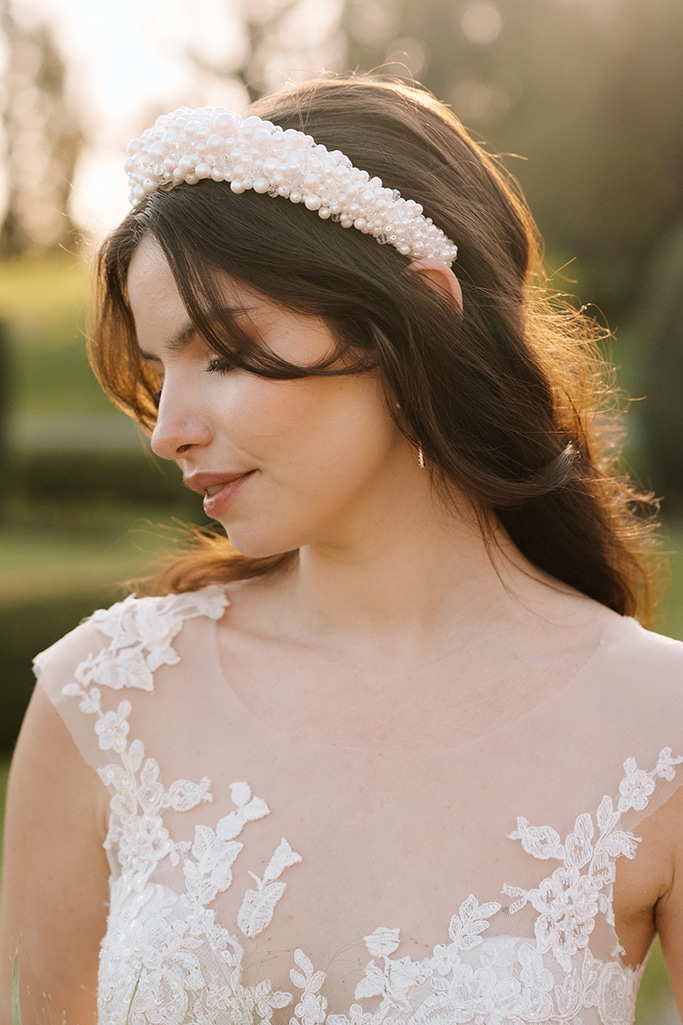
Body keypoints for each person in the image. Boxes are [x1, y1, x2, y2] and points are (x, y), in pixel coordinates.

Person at [1, 75, 682, 1025]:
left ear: (417, 317)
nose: (169, 430)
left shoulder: (661, 731)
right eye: (162, 370)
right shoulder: (104, 699)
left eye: (226, 353)